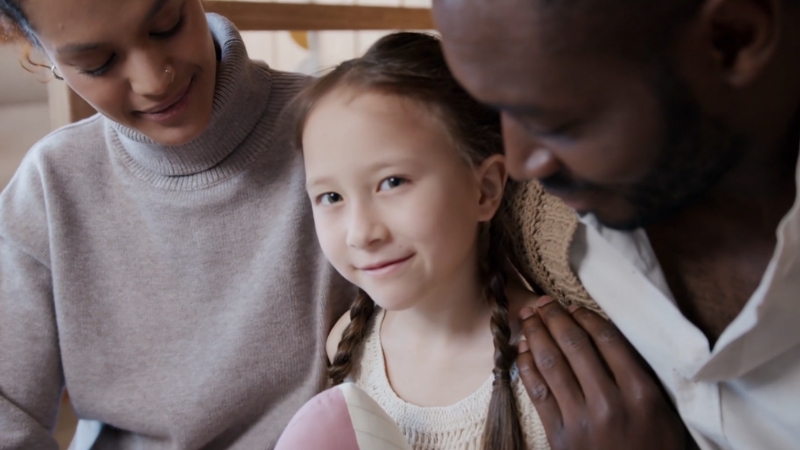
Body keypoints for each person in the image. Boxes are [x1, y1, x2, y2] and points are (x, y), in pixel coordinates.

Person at [432, 0, 800, 449]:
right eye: (496, 110)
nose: (521, 164)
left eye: (556, 122)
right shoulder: (548, 223)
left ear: (731, 39)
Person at [0, 0, 353, 448]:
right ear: (45, 58)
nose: (154, 80)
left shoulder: (343, 132)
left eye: (167, 25)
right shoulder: (50, 186)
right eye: (98, 63)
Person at [279, 31, 634, 450]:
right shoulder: (349, 343)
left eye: (392, 182)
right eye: (331, 197)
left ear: (484, 189)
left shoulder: (557, 369)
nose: (361, 233)